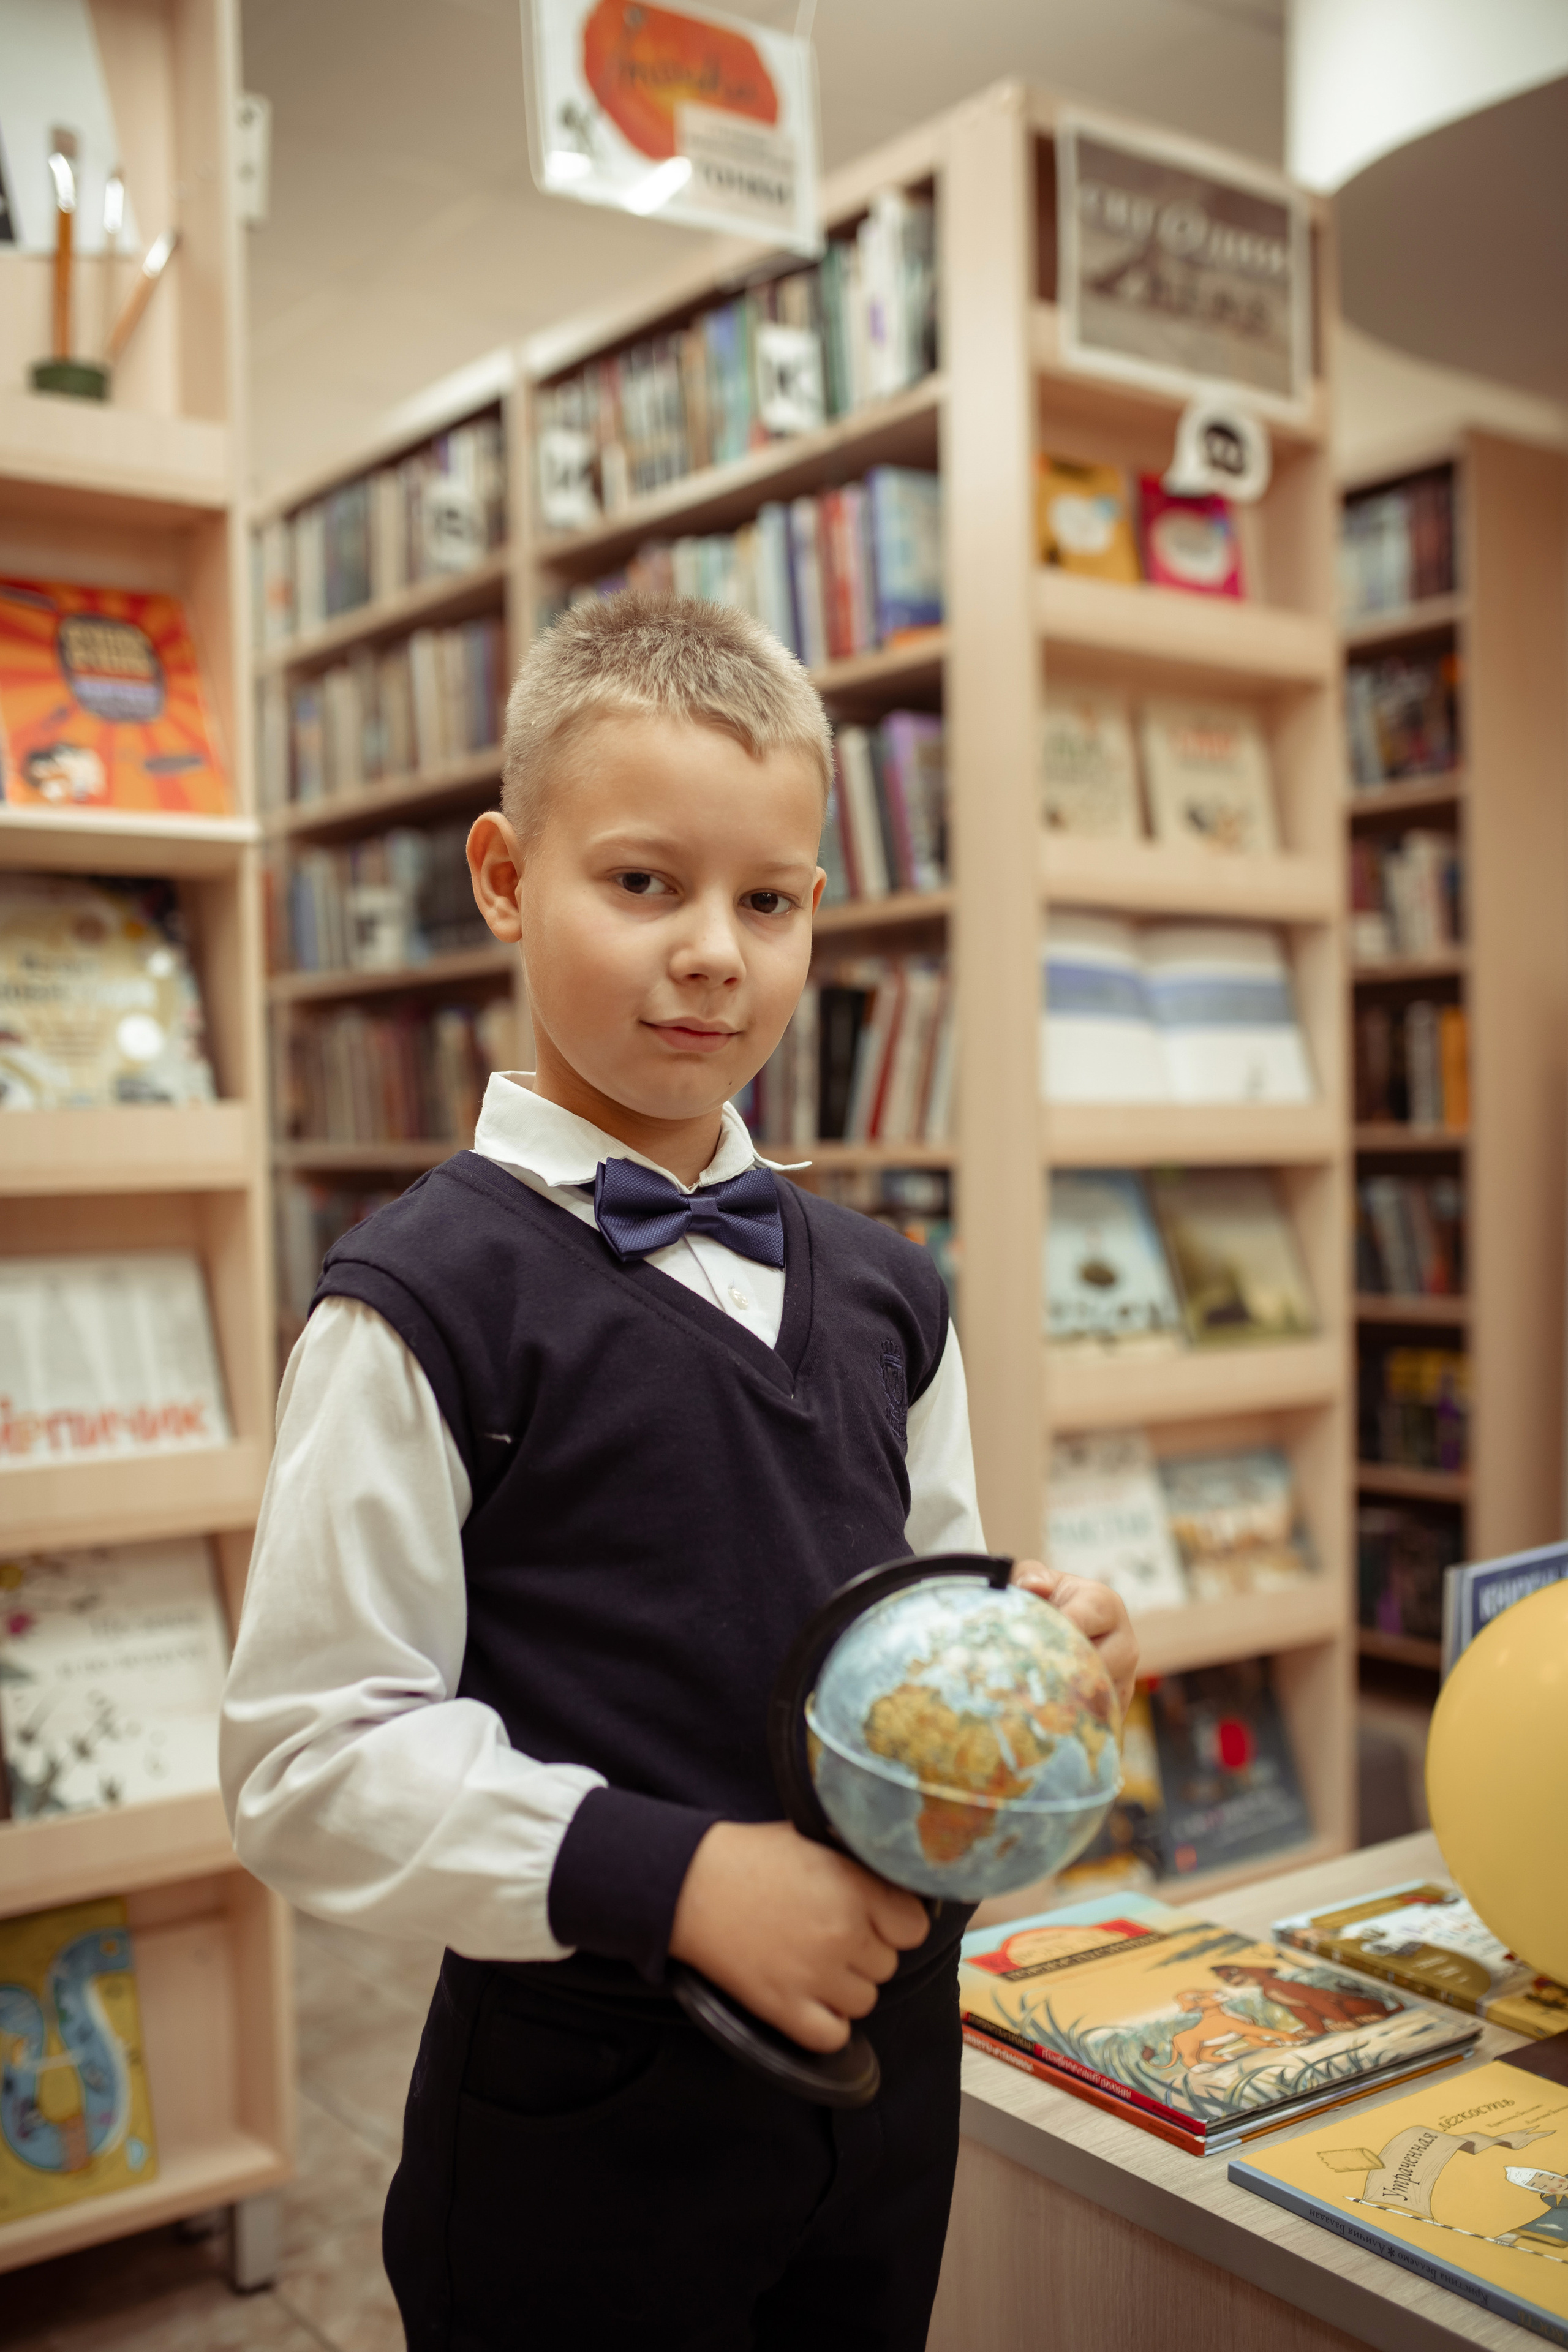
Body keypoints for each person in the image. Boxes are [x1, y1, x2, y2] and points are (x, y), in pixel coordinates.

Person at [221, 594, 1137, 2351]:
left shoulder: (885, 1283)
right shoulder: (421, 1301)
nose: (715, 951)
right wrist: (683, 1880)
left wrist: (1035, 1639)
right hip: (589, 2116)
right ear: (504, 877)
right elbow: (308, 1754)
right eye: (644, 883)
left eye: (769, 899)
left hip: (886, 2081)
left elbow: (918, 1595)